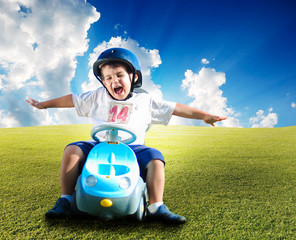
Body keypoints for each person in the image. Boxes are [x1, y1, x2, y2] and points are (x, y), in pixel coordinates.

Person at [26, 48, 227, 224]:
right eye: (108, 78)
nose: (114, 81)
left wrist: (205, 116)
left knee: (156, 159)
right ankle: (65, 200)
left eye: (120, 75)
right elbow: (73, 99)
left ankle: (156, 206)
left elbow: (176, 108)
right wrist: (44, 104)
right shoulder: (97, 96)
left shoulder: (145, 101)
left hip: (133, 147)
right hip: (98, 144)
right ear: (103, 82)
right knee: (72, 149)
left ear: (134, 77)